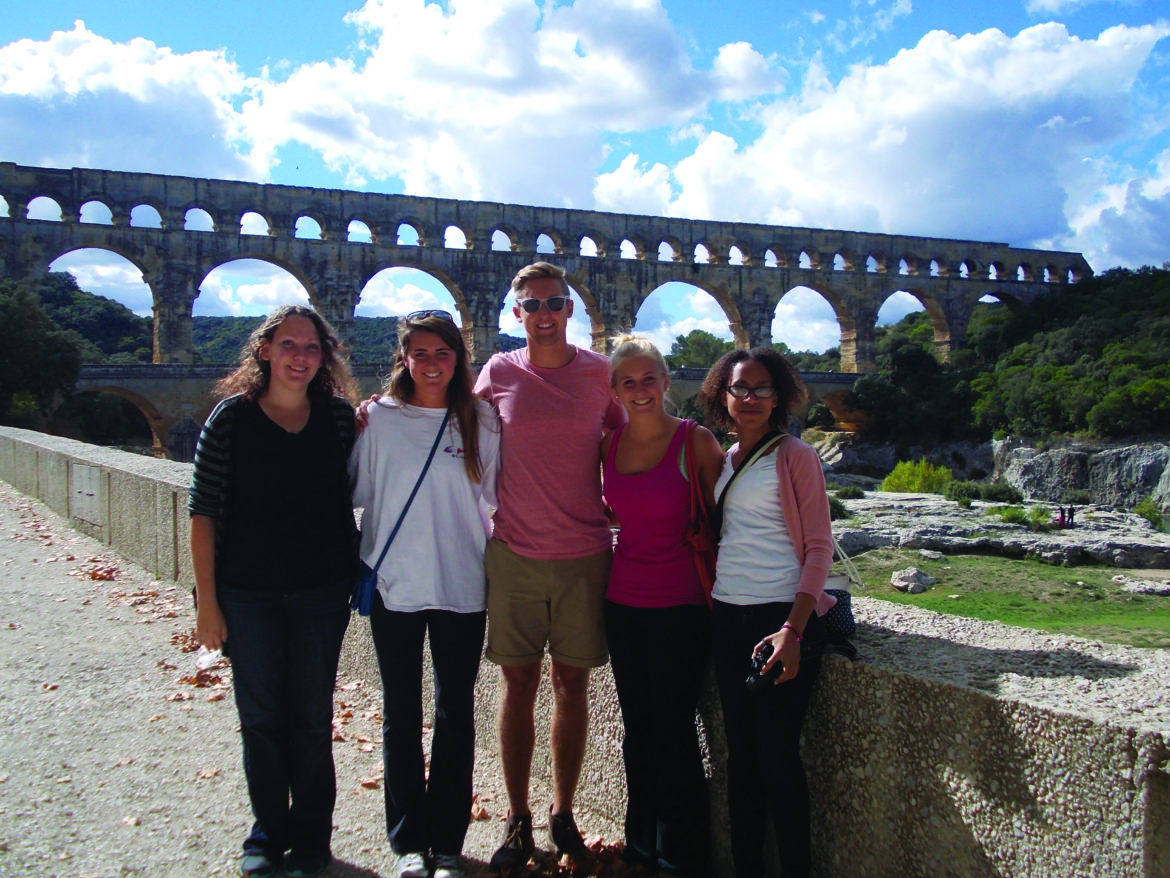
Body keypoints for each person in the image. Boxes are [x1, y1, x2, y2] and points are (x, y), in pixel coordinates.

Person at [189, 305, 359, 878]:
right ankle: (267, 832)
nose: (301, 356)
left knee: (310, 717)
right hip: (248, 593)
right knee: (260, 717)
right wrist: (207, 603)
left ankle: (311, 836)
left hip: (320, 590)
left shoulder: (338, 419)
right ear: (264, 350)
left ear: (324, 357)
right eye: (289, 344)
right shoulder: (230, 420)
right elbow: (203, 511)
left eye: (312, 347)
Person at [474, 262, 626, 872]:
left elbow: (630, 438)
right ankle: (517, 816)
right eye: (531, 304)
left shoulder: (600, 375)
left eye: (554, 303)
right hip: (513, 551)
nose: (543, 313)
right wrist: (378, 413)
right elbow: (447, 422)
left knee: (573, 687)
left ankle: (563, 813)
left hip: (586, 554)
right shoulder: (498, 370)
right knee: (518, 686)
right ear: (517, 314)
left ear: (571, 310)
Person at [349, 311, 501, 878]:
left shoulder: (481, 419)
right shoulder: (379, 420)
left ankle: (447, 842)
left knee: (455, 712)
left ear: (459, 358)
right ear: (404, 359)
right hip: (394, 585)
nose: (433, 363)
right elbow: (356, 489)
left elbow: (500, 495)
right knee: (400, 713)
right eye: (421, 353)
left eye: (444, 352)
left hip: (463, 582)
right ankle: (409, 839)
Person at [697, 347, 838, 878]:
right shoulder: (725, 459)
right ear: (722, 395)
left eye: (761, 388)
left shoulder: (795, 455)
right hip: (727, 615)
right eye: (740, 388)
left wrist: (793, 630)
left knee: (777, 757)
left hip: (780, 618)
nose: (750, 398)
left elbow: (820, 548)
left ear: (779, 397)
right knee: (742, 757)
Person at [600, 337, 724, 877]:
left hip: (683, 604)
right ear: (614, 391)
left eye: (649, 378)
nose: (640, 389)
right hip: (623, 601)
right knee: (637, 729)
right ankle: (641, 840)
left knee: (673, 729)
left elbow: (731, 519)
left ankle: (683, 853)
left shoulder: (696, 443)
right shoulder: (609, 444)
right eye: (628, 381)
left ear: (667, 383)